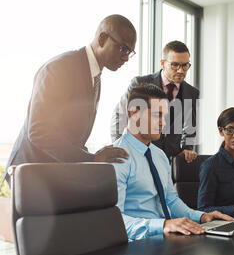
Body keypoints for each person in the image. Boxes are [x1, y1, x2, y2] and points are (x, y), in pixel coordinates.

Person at [4, 14, 136, 185]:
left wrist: (93, 158)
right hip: (31, 173)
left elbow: (71, 136)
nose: (126, 58)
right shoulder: (60, 68)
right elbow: (39, 132)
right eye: (124, 49)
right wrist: (92, 158)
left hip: (54, 172)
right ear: (102, 38)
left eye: (130, 52)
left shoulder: (94, 75)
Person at [112, 84, 234, 241]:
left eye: (164, 116)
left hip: (167, 240)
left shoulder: (159, 155)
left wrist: (202, 217)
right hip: (137, 245)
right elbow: (114, 220)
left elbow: (172, 201)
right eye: (157, 115)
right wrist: (162, 225)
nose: (163, 123)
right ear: (134, 112)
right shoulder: (117, 158)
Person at [111, 40, 199, 163]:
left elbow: (190, 127)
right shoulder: (139, 83)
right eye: (175, 65)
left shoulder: (192, 93)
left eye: (185, 65)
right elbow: (120, 116)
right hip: (139, 153)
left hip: (171, 159)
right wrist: (119, 148)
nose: (180, 70)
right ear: (163, 63)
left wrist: (187, 149)